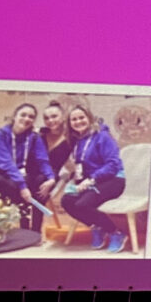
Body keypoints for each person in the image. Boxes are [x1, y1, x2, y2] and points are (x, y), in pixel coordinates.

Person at [62, 104, 127, 251]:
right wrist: (76, 181)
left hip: (113, 179)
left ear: (89, 118)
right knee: (67, 201)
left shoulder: (103, 136)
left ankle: (116, 232)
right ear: (70, 123)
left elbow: (112, 165)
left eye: (81, 117)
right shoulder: (77, 140)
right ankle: (98, 227)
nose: (78, 121)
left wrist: (91, 180)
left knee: (83, 204)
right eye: (74, 119)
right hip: (94, 181)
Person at [0, 103, 55, 232]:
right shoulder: (0, 135)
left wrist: (51, 178)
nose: (27, 119)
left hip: (17, 174)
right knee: (10, 185)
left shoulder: (34, 137)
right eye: (23, 115)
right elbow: (6, 163)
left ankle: (36, 230)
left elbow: (42, 160)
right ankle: (22, 226)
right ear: (14, 116)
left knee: (41, 181)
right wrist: (23, 187)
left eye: (31, 117)